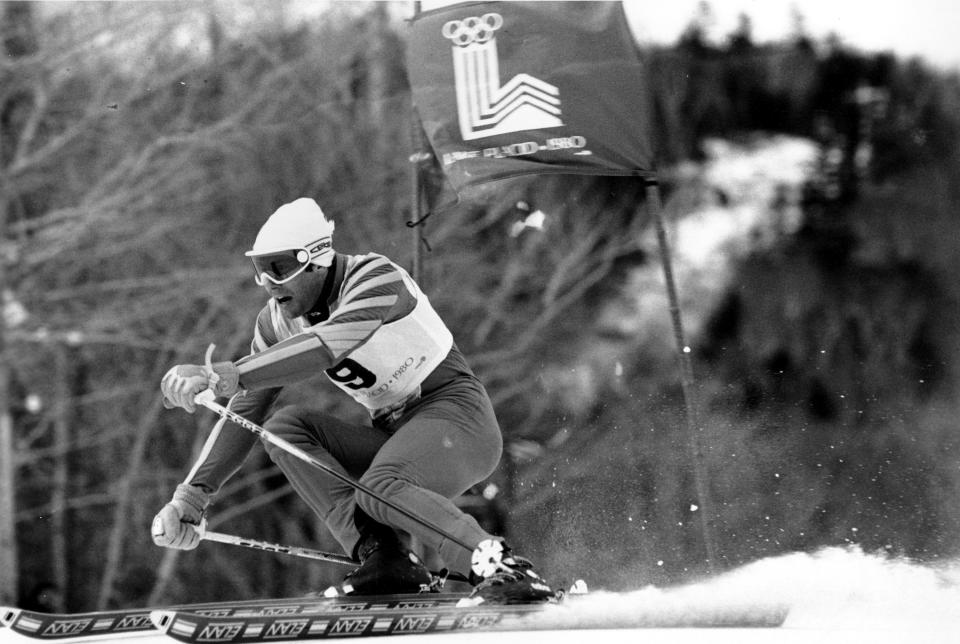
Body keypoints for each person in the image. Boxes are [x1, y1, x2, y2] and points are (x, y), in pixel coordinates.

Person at [153, 197, 553, 604]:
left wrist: (225, 374)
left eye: (280, 268)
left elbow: (327, 345)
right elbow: (245, 410)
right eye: (261, 271)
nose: (271, 284)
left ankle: (494, 561)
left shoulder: (374, 277)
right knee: (283, 430)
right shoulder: (276, 321)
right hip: (397, 436)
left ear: (318, 258)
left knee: (381, 484)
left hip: (459, 421)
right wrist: (191, 498)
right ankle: (385, 558)